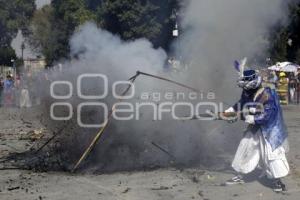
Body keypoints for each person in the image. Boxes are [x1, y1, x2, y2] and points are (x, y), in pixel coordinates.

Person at [224, 69, 290, 192]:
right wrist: (228, 112)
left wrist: (242, 116)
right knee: (245, 147)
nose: (245, 90)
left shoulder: (268, 93)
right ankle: (240, 175)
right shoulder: (247, 92)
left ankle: (277, 181)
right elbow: (241, 103)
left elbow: (266, 116)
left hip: (270, 128)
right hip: (254, 126)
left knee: (272, 155)